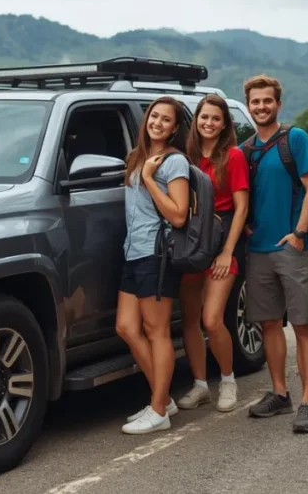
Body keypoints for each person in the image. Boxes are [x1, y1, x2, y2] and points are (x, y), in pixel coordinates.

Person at [239, 74, 308, 434]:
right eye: (255, 102)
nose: (261, 107)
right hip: (258, 251)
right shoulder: (245, 150)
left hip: (292, 247)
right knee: (269, 323)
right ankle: (279, 393)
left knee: (302, 324)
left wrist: (300, 234)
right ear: (249, 105)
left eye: (267, 101)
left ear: (278, 104)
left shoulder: (294, 138)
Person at [116, 95, 191, 435]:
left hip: (157, 254)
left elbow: (178, 215)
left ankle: (159, 408)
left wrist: (148, 178)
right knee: (126, 327)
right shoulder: (137, 156)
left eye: (166, 119)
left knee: (156, 331)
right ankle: (163, 398)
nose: (157, 122)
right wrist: (141, 169)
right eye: (154, 116)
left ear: (175, 128)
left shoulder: (173, 163)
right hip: (133, 251)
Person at [174, 94, 249, 413]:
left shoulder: (232, 156)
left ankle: (228, 381)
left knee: (212, 318)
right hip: (191, 243)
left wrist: (226, 252)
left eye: (216, 118)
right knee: (190, 320)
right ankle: (201, 385)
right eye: (204, 117)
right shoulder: (183, 156)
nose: (209, 123)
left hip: (221, 242)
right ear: (197, 120)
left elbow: (242, 206)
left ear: (225, 124)